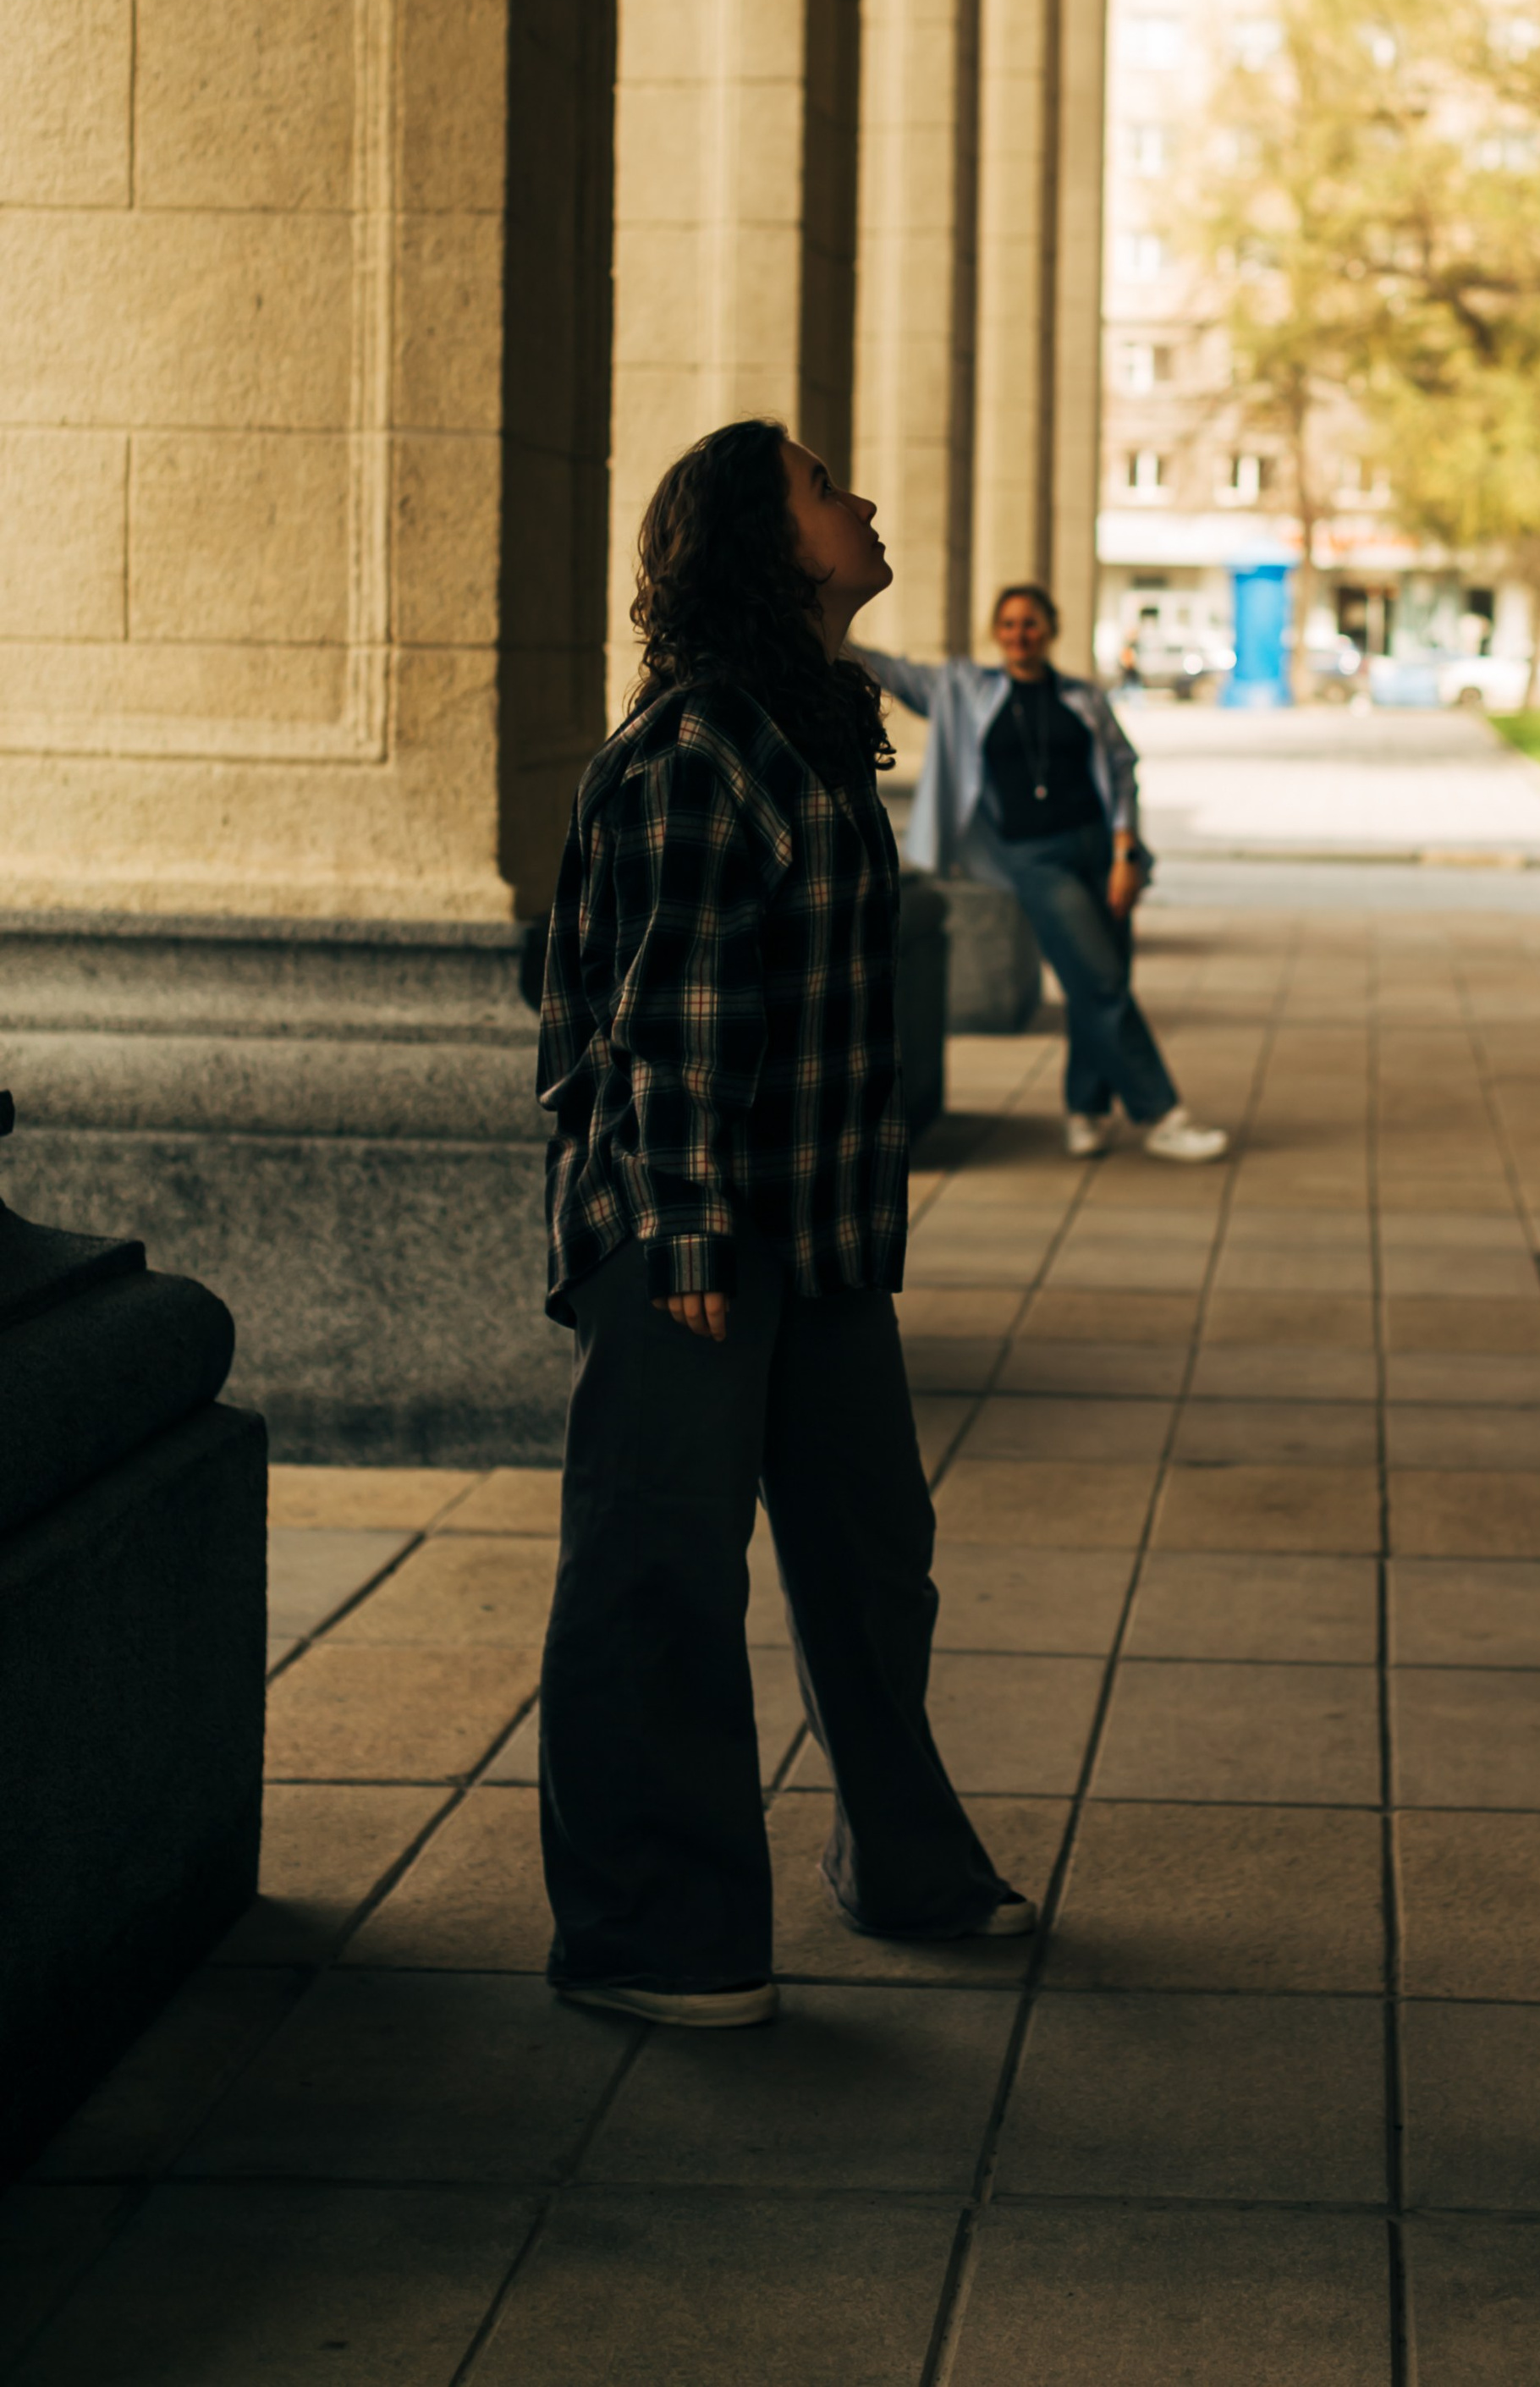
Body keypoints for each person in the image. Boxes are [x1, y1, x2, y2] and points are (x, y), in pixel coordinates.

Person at [533, 421, 1030, 2031]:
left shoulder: (807, 734)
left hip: (807, 1241)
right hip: (692, 1242)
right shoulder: (698, 752)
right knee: (659, 1581)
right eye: (824, 486)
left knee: (874, 1562)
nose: (863, 498)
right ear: (762, 541)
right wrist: (681, 1239)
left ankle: (904, 1864)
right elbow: (663, 1028)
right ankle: (651, 1936)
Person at [852, 588, 1228, 1163]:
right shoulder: (966, 690)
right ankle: (1161, 1115)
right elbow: (890, 671)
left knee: (1095, 981)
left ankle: (1086, 1108)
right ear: (995, 632)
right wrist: (823, 621)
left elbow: (1123, 771)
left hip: (1102, 852)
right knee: (1099, 979)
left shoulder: (1082, 696)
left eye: (1030, 623)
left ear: (1050, 629)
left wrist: (1126, 855)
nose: (1019, 634)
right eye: (1008, 624)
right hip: (1035, 858)